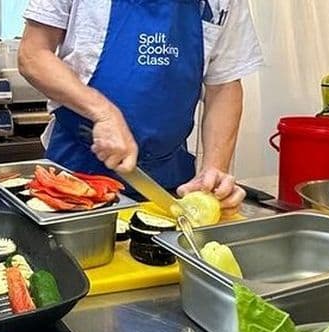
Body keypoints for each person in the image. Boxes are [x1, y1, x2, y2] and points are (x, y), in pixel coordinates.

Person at [18, 0, 262, 217]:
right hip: (74, 179)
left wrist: (213, 172)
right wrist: (104, 113)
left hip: (171, 182)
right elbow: (33, 54)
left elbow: (224, 85)